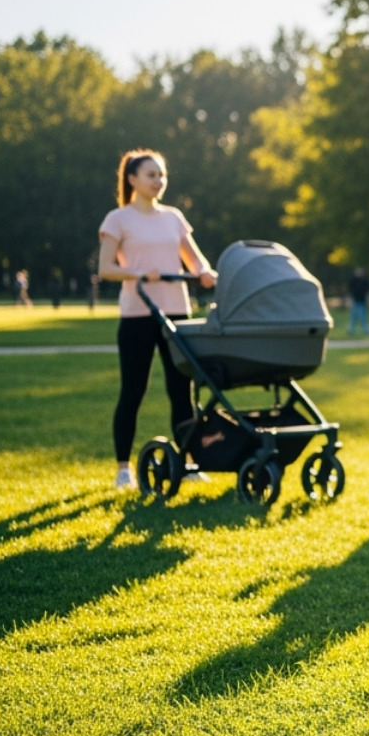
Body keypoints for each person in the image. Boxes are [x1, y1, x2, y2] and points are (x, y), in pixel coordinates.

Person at [96, 150, 218, 489]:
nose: (158, 181)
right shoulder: (118, 219)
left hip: (176, 313)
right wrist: (139, 273)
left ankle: (189, 463)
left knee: (182, 391)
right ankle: (123, 469)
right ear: (132, 179)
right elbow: (106, 269)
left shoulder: (174, 218)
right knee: (133, 391)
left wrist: (205, 274)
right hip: (138, 314)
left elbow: (194, 261)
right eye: (151, 175)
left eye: (161, 175)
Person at [346, 267, 369, 336]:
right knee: (353, 317)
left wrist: (368, 300)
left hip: (362, 301)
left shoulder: (365, 281)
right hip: (355, 301)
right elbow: (350, 290)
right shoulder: (353, 281)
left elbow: (368, 291)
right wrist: (350, 300)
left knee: (363, 317)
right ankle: (351, 330)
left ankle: (366, 330)